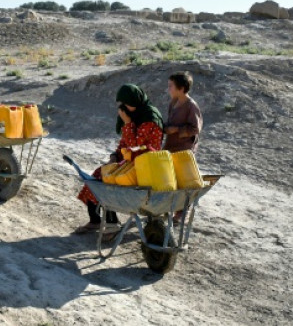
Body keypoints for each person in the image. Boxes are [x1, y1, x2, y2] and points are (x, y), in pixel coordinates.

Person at [74, 83, 164, 233]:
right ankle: (96, 220)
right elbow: (124, 143)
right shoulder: (133, 115)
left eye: (127, 104)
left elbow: (136, 145)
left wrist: (128, 123)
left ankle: (111, 223)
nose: (124, 108)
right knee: (97, 176)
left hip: (146, 163)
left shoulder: (149, 118)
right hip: (131, 161)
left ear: (136, 101)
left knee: (107, 182)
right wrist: (114, 156)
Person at [162, 71, 203, 153]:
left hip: (184, 150)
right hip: (170, 146)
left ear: (181, 89)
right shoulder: (173, 102)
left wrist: (177, 130)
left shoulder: (191, 106)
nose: (168, 89)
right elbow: (170, 122)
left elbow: (195, 129)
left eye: (171, 86)